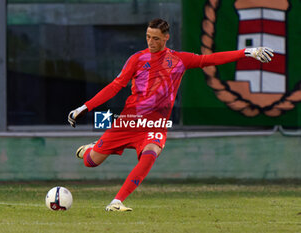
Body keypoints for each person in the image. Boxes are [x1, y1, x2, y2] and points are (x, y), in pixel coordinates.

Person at [68, 18, 273, 212]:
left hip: (156, 124)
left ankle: (116, 202)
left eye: (156, 38)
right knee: (91, 161)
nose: (151, 42)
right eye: (148, 36)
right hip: (129, 121)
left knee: (150, 154)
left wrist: (247, 52)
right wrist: (85, 107)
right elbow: (115, 86)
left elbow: (210, 59)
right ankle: (92, 148)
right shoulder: (137, 59)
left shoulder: (179, 60)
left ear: (166, 37)